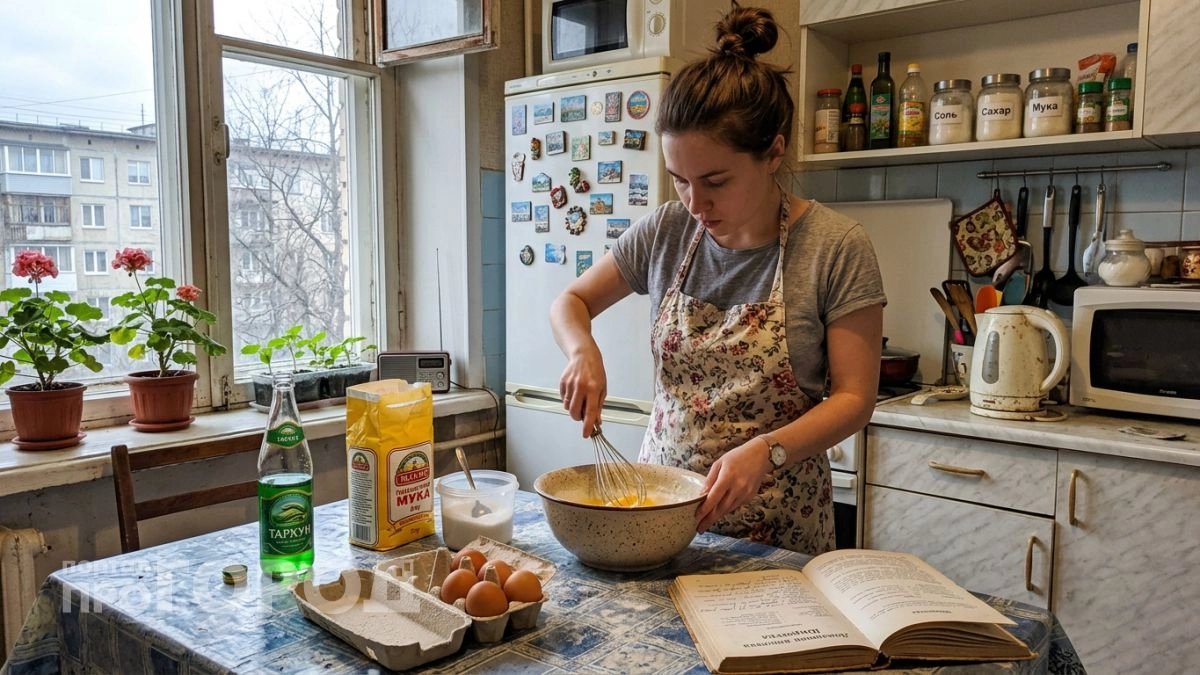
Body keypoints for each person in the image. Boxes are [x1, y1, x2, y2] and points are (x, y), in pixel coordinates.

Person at [549, 4, 886, 556]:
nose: (695, 203)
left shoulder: (834, 246)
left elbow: (855, 398)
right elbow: (571, 300)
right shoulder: (667, 232)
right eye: (679, 180)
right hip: (658, 520)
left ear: (774, 152)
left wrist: (768, 451)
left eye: (715, 181)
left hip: (780, 533)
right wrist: (581, 349)